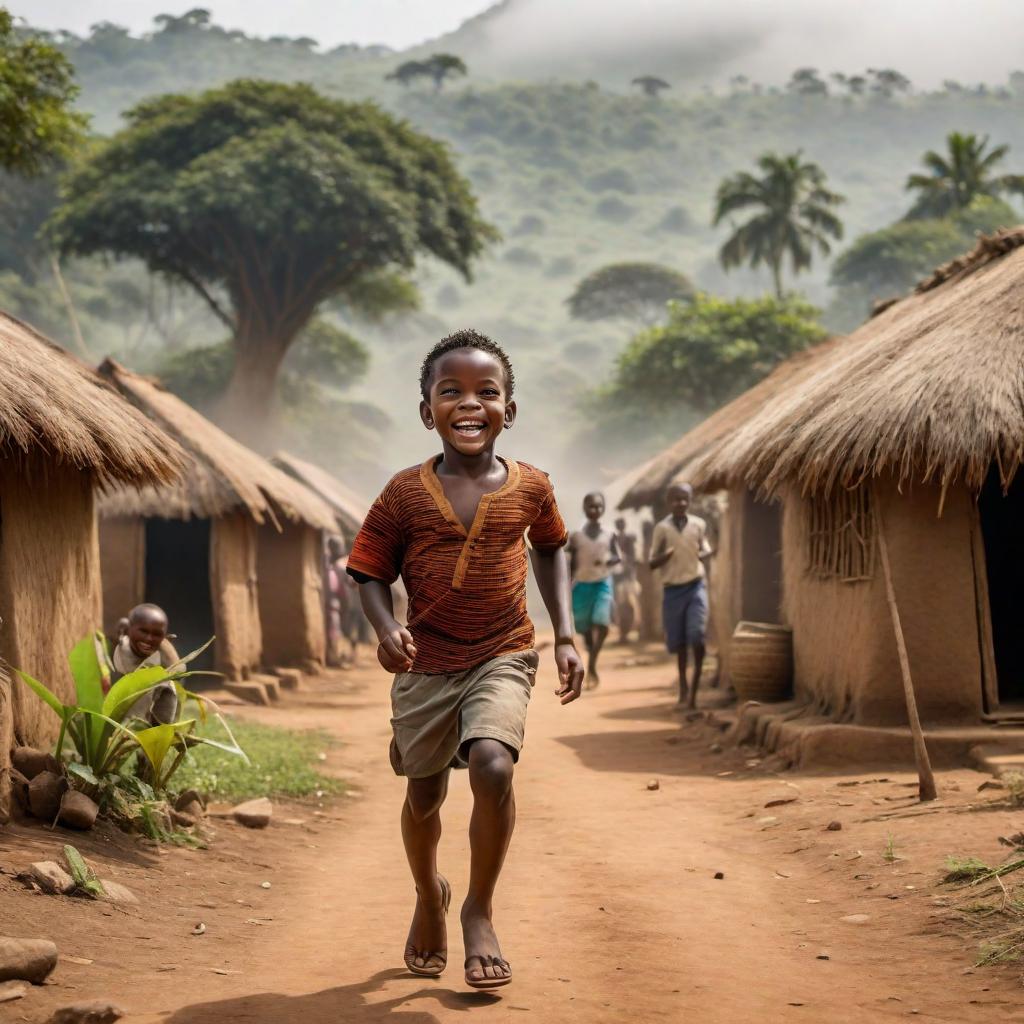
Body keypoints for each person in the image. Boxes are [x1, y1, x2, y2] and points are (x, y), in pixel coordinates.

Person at [345, 328, 584, 991]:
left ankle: (479, 909)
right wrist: (384, 623)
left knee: (493, 763)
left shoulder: (532, 487)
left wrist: (564, 633)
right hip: (424, 662)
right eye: (451, 392)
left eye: (488, 391)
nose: (470, 403)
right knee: (424, 795)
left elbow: (553, 548)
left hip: (502, 651)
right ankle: (429, 893)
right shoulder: (403, 494)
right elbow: (366, 569)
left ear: (510, 407)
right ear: (428, 412)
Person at [649, 483, 712, 709]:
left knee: (697, 636)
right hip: (673, 590)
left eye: (685, 499)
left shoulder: (698, 525)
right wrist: (664, 556)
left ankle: (694, 692)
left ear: (691, 500)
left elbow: (705, 548)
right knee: (680, 643)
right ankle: (684, 687)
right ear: (669, 501)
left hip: (696, 586)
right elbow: (651, 562)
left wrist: (705, 553)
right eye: (676, 499)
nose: (681, 503)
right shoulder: (662, 529)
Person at [568, 493, 619, 687]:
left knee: (603, 624)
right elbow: (571, 564)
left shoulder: (610, 533)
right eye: (591, 507)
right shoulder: (576, 536)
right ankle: (590, 656)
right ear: (584, 508)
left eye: (599, 507)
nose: (595, 510)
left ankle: (593, 666)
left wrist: (606, 561)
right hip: (581, 586)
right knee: (585, 630)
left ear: (603, 508)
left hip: (602, 583)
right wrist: (566, 585)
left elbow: (617, 557)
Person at [112, 603, 180, 725]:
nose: (149, 638)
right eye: (143, 631)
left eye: (157, 634)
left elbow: (179, 669)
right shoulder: (119, 652)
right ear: (128, 630)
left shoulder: (161, 655)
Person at [611, 516, 640, 644]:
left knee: (631, 605)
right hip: (618, 578)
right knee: (620, 607)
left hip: (628, 578)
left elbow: (633, 559)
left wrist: (627, 565)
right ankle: (623, 633)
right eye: (619, 523)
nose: (620, 525)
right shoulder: (613, 540)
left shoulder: (629, 539)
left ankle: (629, 631)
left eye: (622, 523)